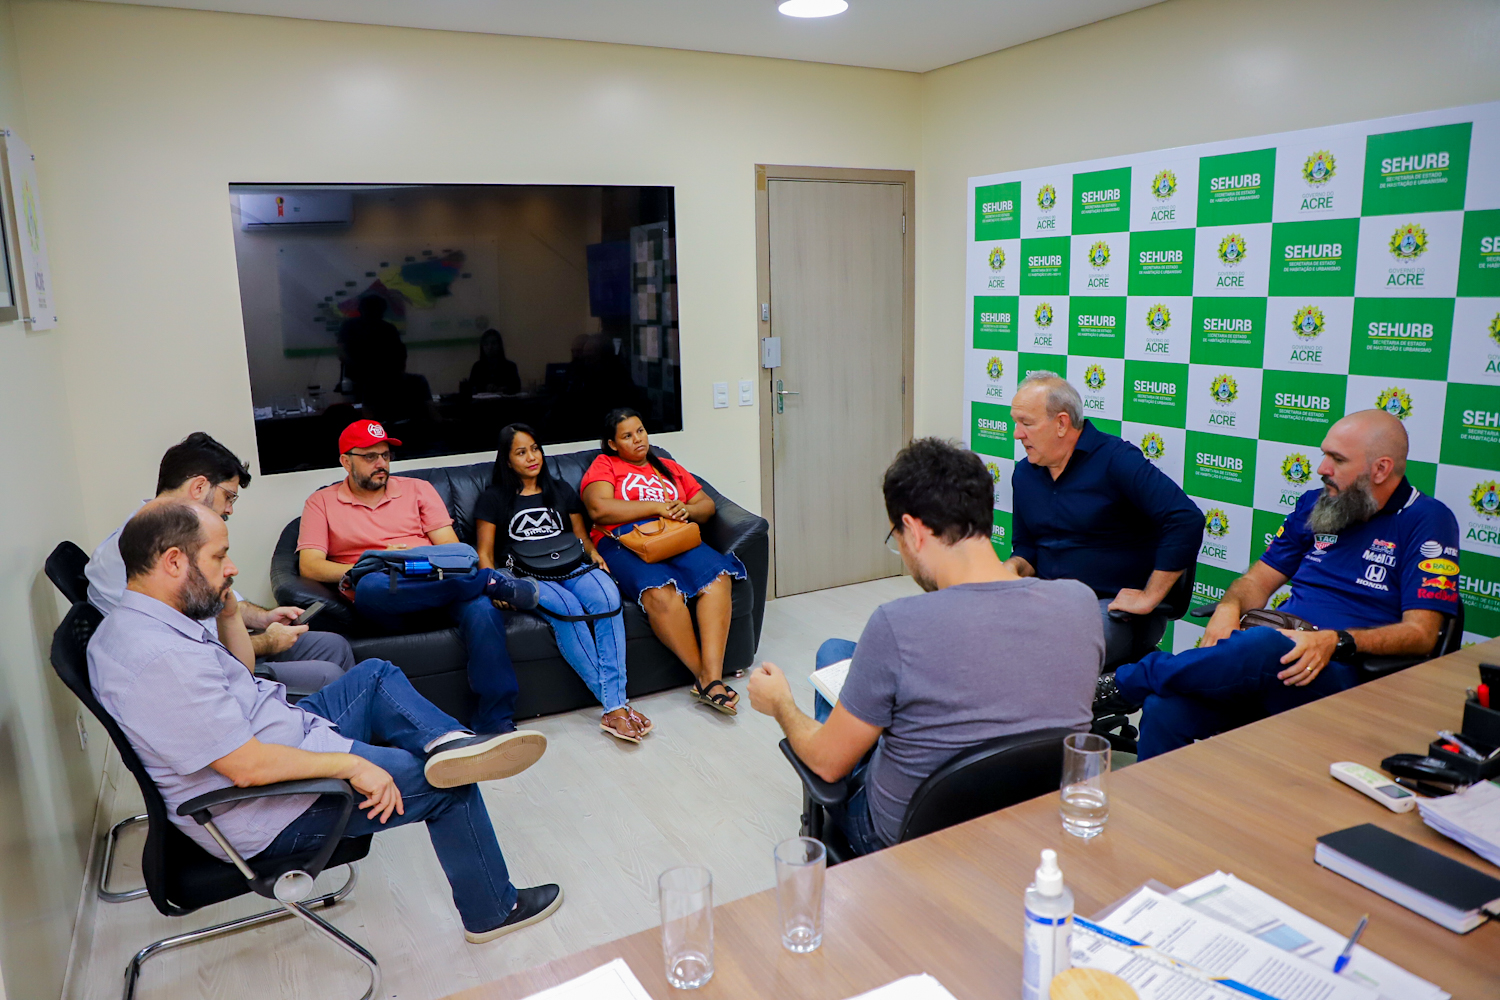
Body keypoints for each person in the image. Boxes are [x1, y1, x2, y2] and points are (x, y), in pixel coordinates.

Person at [89, 499, 561, 943]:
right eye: (219, 556)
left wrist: (230, 612)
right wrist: (351, 766)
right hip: (267, 809)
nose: (231, 568)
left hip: (278, 732)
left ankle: (450, 742)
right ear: (173, 561)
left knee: (374, 675)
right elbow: (245, 769)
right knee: (448, 786)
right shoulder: (160, 658)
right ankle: (493, 911)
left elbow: (240, 677)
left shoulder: (146, 620)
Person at [747, 438, 1102, 857]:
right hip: (1035, 822)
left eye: (897, 537)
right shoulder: (1080, 603)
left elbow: (827, 764)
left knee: (835, 698)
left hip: (911, 841)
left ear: (914, 531)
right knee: (835, 651)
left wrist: (781, 704)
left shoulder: (897, 626)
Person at [1101, 410, 1461, 760]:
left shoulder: (1427, 520)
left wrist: (1335, 641)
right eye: (1324, 455)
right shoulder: (1318, 505)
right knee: (1165, 708)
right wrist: (1228, 608)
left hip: (1345, 673)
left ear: (1380, 469)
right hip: (1276, 661)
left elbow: (1423, 633)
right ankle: (1152, 813)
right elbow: (1257, 579)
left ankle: (1124, 683)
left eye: (1336, 459)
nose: (1322, 469)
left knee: (1265, 644)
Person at [296, 420, 539, 733]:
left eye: (385, 455)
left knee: (482, 610)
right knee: (371, 586)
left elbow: (452, 549)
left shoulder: (418, 489)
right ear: (346, 461)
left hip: (437, 584)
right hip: (387, 599)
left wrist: (408, 560)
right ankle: (488, 582)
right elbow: (310, 566)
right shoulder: (322, 502)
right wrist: (380, 563)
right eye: (370, 457)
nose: (380, 463)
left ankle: (495, 719)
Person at [87, 431, 354, 692]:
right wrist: (269, 641)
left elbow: (223, 601)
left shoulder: (179, 535)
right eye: (229, 496)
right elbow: (204, 645)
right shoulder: (145, 552)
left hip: (219, 646)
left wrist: (264, 618)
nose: (230, 509)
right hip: (203, 669)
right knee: (331, 676)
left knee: (335, 645)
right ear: (199, 487)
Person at [1005, 372, 1203, 666]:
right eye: (1015, 423)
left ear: (1061, 423)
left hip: (1112, 611)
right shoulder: (1025, 474)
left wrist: (1149, 596)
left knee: (1039, 655)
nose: (1017, 434)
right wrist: (1012, 567)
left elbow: (1186, 519)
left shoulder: (1116, 460)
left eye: (1027, 424)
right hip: (1047, 603)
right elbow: (1027, 547)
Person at [475, 424, 651, 743]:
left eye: (535, 448)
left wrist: (595, 554)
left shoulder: (560, 489)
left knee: (608, 599)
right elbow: (485, 553)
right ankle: (617, 706)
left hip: (572, 564)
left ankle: (615, 708)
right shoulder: (493, 498)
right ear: (507, 459)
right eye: (521, 452)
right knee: (569, 610)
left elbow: (581, 537)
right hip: (525, 573)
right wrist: (493, 584)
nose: (532, 457)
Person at [580, 409, 746, 715]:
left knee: (717, 575)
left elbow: (706, 505)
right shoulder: (605, 464)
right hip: (623, 541)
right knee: (659, 591)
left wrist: (686, 510)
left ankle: (710, 677)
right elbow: (599, 509)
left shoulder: (667, 466)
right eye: (627, 436)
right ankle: (708, 680)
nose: (638, 440)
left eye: (640, 431)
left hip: (674, 535)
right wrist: (657, 506)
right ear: (613, 444)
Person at [469, 329, 522, 395]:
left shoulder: (510, 366)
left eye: (493, 343)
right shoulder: (477, 367)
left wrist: (501, 388)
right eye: (486, 344)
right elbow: (471, 388)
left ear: (500, 345)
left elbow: (516, 387)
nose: (490, 347)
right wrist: (485, 388)